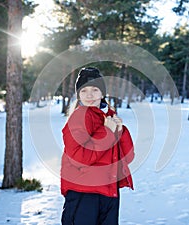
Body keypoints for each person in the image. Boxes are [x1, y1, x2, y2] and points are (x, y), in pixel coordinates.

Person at [60, 67, 135, 225]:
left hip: (108, 192)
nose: (89, 95)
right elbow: (79, 158)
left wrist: (121, 132)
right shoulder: (78, 117)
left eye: (95, 89)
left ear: (102, 93)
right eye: (84, 90)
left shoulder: (107, 117)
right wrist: (107, 132)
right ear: (79, 94)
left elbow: (127, 157)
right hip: (84, 194)